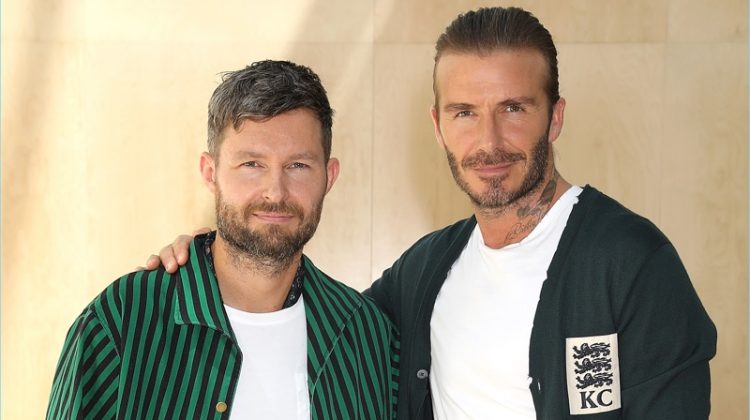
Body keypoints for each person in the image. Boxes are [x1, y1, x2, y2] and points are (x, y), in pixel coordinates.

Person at [145, 7, 716, 420]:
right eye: (465, 112)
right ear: (439, 125)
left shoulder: (631, 263)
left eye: (513, 108)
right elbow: (318, 320)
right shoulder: (424, 273)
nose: (488, 141)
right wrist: (215, 252)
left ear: (556, 116)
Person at [47, 60, 399, 420]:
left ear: (329, 176)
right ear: (210, 173)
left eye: (298, 166)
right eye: (252, 164)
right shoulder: (123, 319)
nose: (275, 192)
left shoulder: (366, 333)